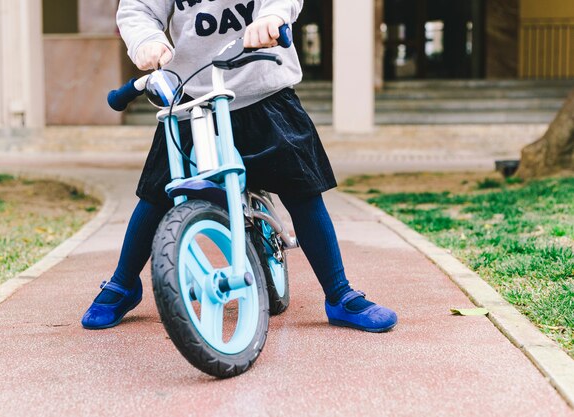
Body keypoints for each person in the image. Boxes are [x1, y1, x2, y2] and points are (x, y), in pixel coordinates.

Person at [81, 0, 398, 333]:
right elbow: (138, 9)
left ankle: (339, 293)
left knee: (303, 191)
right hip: (194, 99)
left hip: (263, 91)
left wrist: (273, 16)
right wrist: (146, 40)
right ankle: (124, 282)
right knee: (157, 195)